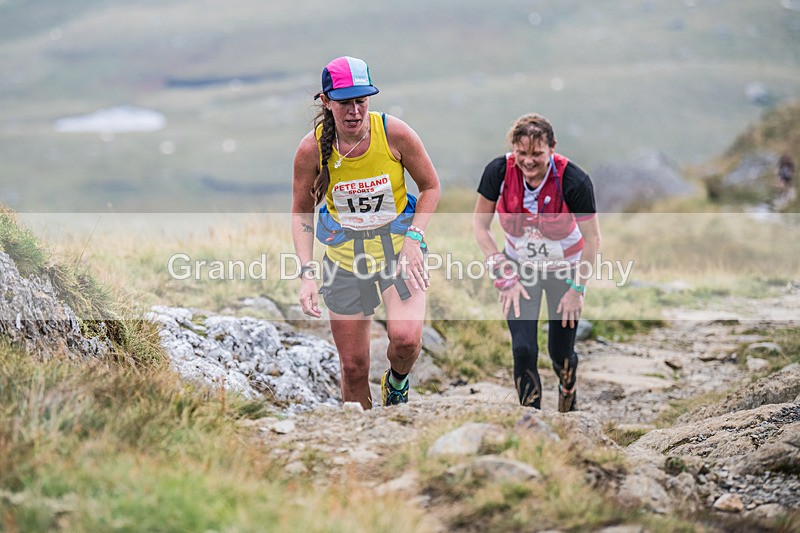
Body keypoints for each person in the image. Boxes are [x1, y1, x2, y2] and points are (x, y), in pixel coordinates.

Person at [291, 56, 440, 409]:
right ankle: (364, 439)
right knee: (354, 369)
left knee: (405, 341)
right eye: (345, 102)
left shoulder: (394, 133)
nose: (354, 111)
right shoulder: (311, 150)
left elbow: (431, 187)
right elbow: (301, 211)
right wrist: (307, 273)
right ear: (327, 102)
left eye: (362, 101)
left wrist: (415, 240)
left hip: (399, 254)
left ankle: (398, 383)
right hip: (344, 263)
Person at [472, 113, 601, 412]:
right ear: (513, 149)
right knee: (523, 349)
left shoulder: (574, 180)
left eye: (537, 154)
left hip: (564, 270)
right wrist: (503, 274)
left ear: (552, 148)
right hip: (519, 269)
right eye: (522, 153)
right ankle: (531, 420)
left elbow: (593, 240)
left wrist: (576, 289)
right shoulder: (498, 172)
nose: (529, 161)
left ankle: (568, 388)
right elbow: (480, 227)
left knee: (561, 352)